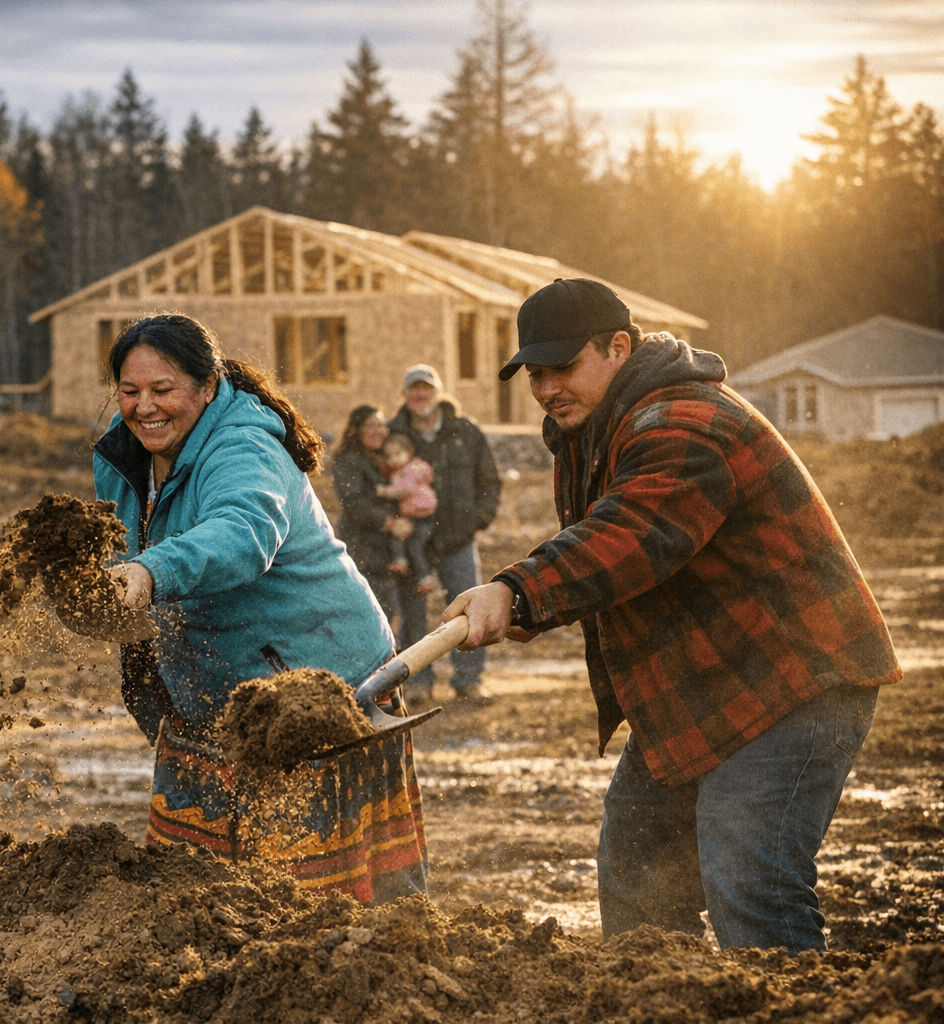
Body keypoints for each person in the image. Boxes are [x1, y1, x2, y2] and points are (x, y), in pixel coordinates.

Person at [443, 277, 903, 951]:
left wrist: (521, 589)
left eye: (563, 369)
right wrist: (532, 600)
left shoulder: (686, 420)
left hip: (796, 680)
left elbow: (632, 533)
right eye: (535, 375)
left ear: (619, 347)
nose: (546, 389)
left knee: (750, 881)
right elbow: (615, 542)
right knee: (636, 869)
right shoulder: (594, 428)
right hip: (706, 687)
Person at [95, 313, 427, 905]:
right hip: (208, 693)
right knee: (196, 894)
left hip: (313, 685)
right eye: (129, 391)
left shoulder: (243, 444)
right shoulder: (122, 460)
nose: (145, 407)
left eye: (163, 391)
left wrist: (150, 573)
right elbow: (123, 555)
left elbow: (244, 530)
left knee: (318, 904)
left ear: (205, 386)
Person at [386, 364, 501, 704]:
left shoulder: (465, 431)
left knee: (469, 613)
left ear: (438, 392)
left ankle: (469, 681)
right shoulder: (394, 434)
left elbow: (489, 480)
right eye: (413, 389)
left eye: (426, 388)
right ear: (405, 396)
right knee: (412, 613)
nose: (420, 395)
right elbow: (377, 484)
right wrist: (393, 523)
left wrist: (475, 522)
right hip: (413, 542)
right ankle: (418, 683)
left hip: (458, 539)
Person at [328, 404, 406, 621]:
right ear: (356, 429)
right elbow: (354, 503)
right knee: (369, 613)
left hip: (383, 547)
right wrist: (390, 522)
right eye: (371, 425)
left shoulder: (382, 458)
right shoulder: (348, 459)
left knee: (386, 611)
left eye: (382, 425)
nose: (379, 430)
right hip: (360, 545)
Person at [376, 432, 439, 591]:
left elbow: (406, 489)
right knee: (407, 542)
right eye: (389, 456)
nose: (394, 460)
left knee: (411, 544)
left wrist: (385, 491)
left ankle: (421, 576)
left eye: (398, 454)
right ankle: (407, 566)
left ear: (408, 452)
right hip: (418, 514)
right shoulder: (409, 469)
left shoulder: (410, 470)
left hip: (420, 515)